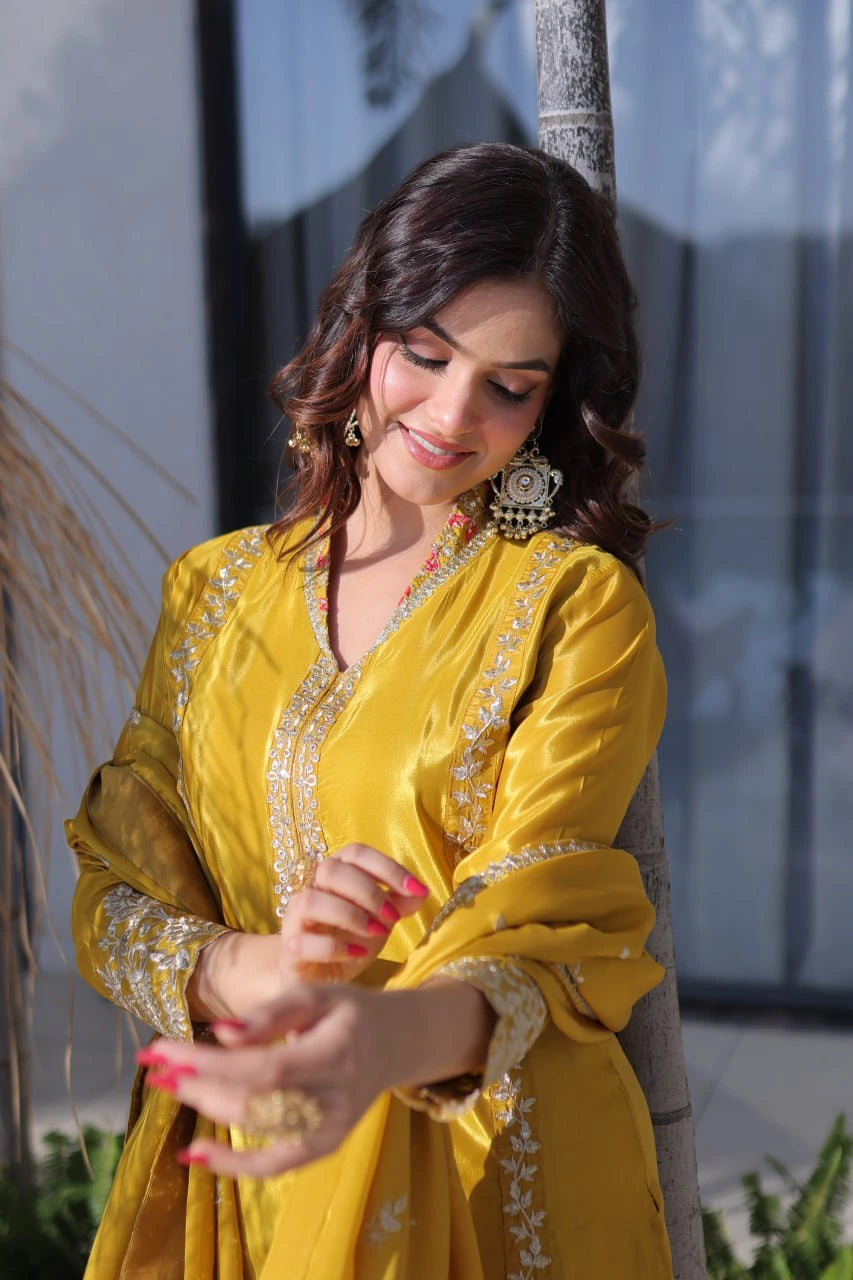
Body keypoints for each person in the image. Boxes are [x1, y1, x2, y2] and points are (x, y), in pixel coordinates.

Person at [67, 142, 674, 1279]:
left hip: (498, 1173)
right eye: (426, 353)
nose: (451, 415)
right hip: (248, 1161)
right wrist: (256, 972)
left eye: (509, 384)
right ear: (361, 328)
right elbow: (112, 894)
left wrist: (374, 1039)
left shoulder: (572, 608)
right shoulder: (215, 593)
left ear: (554, 400)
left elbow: (545, 931)